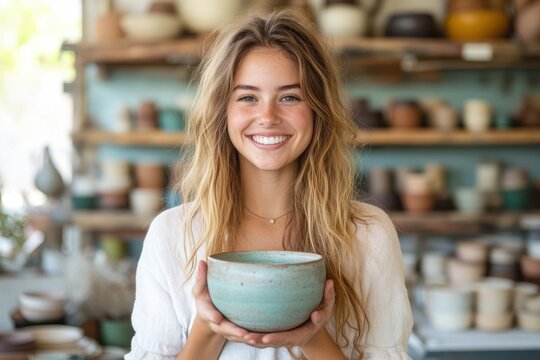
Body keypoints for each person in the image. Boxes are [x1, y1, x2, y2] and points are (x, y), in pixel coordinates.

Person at [125, 9, 412, 360]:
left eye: (290, 97)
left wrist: (312, 337)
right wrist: (208, 328)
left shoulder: (368, 235)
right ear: (222, 112)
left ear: (318, 110)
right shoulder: (172, 236)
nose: (268, 117)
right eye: (247, 97)